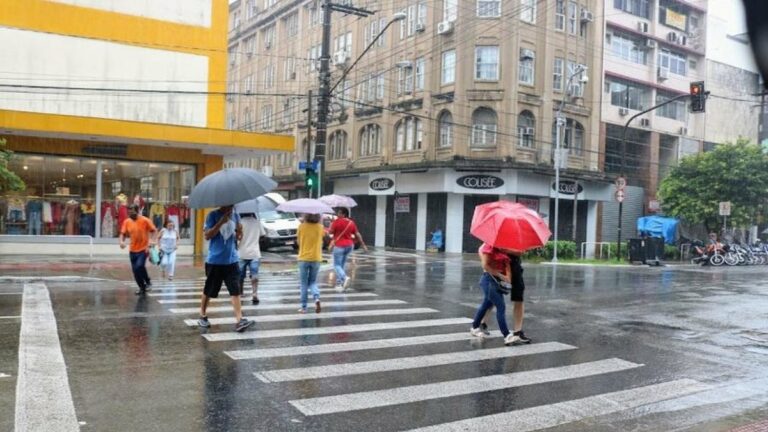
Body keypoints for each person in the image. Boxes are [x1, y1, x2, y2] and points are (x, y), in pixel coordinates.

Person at [197, 205, 254, 332]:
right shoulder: (212, 215)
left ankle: (239, 320)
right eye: (229, 203)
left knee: (235, 290)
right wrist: (221, 222)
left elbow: (238, 238)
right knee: (210, 290)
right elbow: (207, 235)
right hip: (215, 260)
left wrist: (240, 231)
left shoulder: (236, 215)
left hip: (232, 260)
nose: (232, 206)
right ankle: (202, 315)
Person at [477, 249, 532, 345]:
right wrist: (487, 266)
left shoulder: (512, 237)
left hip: (511, 267)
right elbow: (482, 249)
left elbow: (520, 252)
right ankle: (483, 323)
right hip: (501, 267)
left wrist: (503, 250)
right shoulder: (497, 237)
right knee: (495, 299)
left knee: (515, 299)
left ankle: (517, 332)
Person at [119, 204, 157, 295]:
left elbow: (154, 230)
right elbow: (123, 234)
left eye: (132, 212)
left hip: (144, 249)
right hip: (132, 250)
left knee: (139, 266)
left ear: (137, 211)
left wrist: (152, 241)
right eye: (129, 212)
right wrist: (121, 242)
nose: (130, 214)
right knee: (135, 271)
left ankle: (147, 281)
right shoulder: (127, 221)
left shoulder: (145, 220)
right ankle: (142, 288)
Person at [328, 207, 368, 289]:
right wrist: (363, 244)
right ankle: (340, 283)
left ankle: (344, 277)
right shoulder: (351, 222)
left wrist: (332, 224)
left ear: (343, 214)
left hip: (339, 246)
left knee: (336, 265)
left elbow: (330, 232)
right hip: (349, 246)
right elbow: (357, 234)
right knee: (341, 265)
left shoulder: (336, 222)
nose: (337, 214)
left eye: (339, 213)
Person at [297, 213, 325, 313]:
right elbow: (322, 238)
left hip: (303, 258)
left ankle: (304, 307)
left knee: (304, 283)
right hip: (316, 258)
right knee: (312, 282)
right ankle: (316, 298)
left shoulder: (301, 226)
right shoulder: (320, 227)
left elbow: (298, 242)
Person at [238, 212, 267, 304]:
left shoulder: (239, 222)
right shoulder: (257, 222)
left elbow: (236, 237)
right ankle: (254, 293)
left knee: (240, 276)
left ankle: (240, 292)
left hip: (241, 253)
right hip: (254, 252)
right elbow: (263, 234)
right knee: (254, 274)